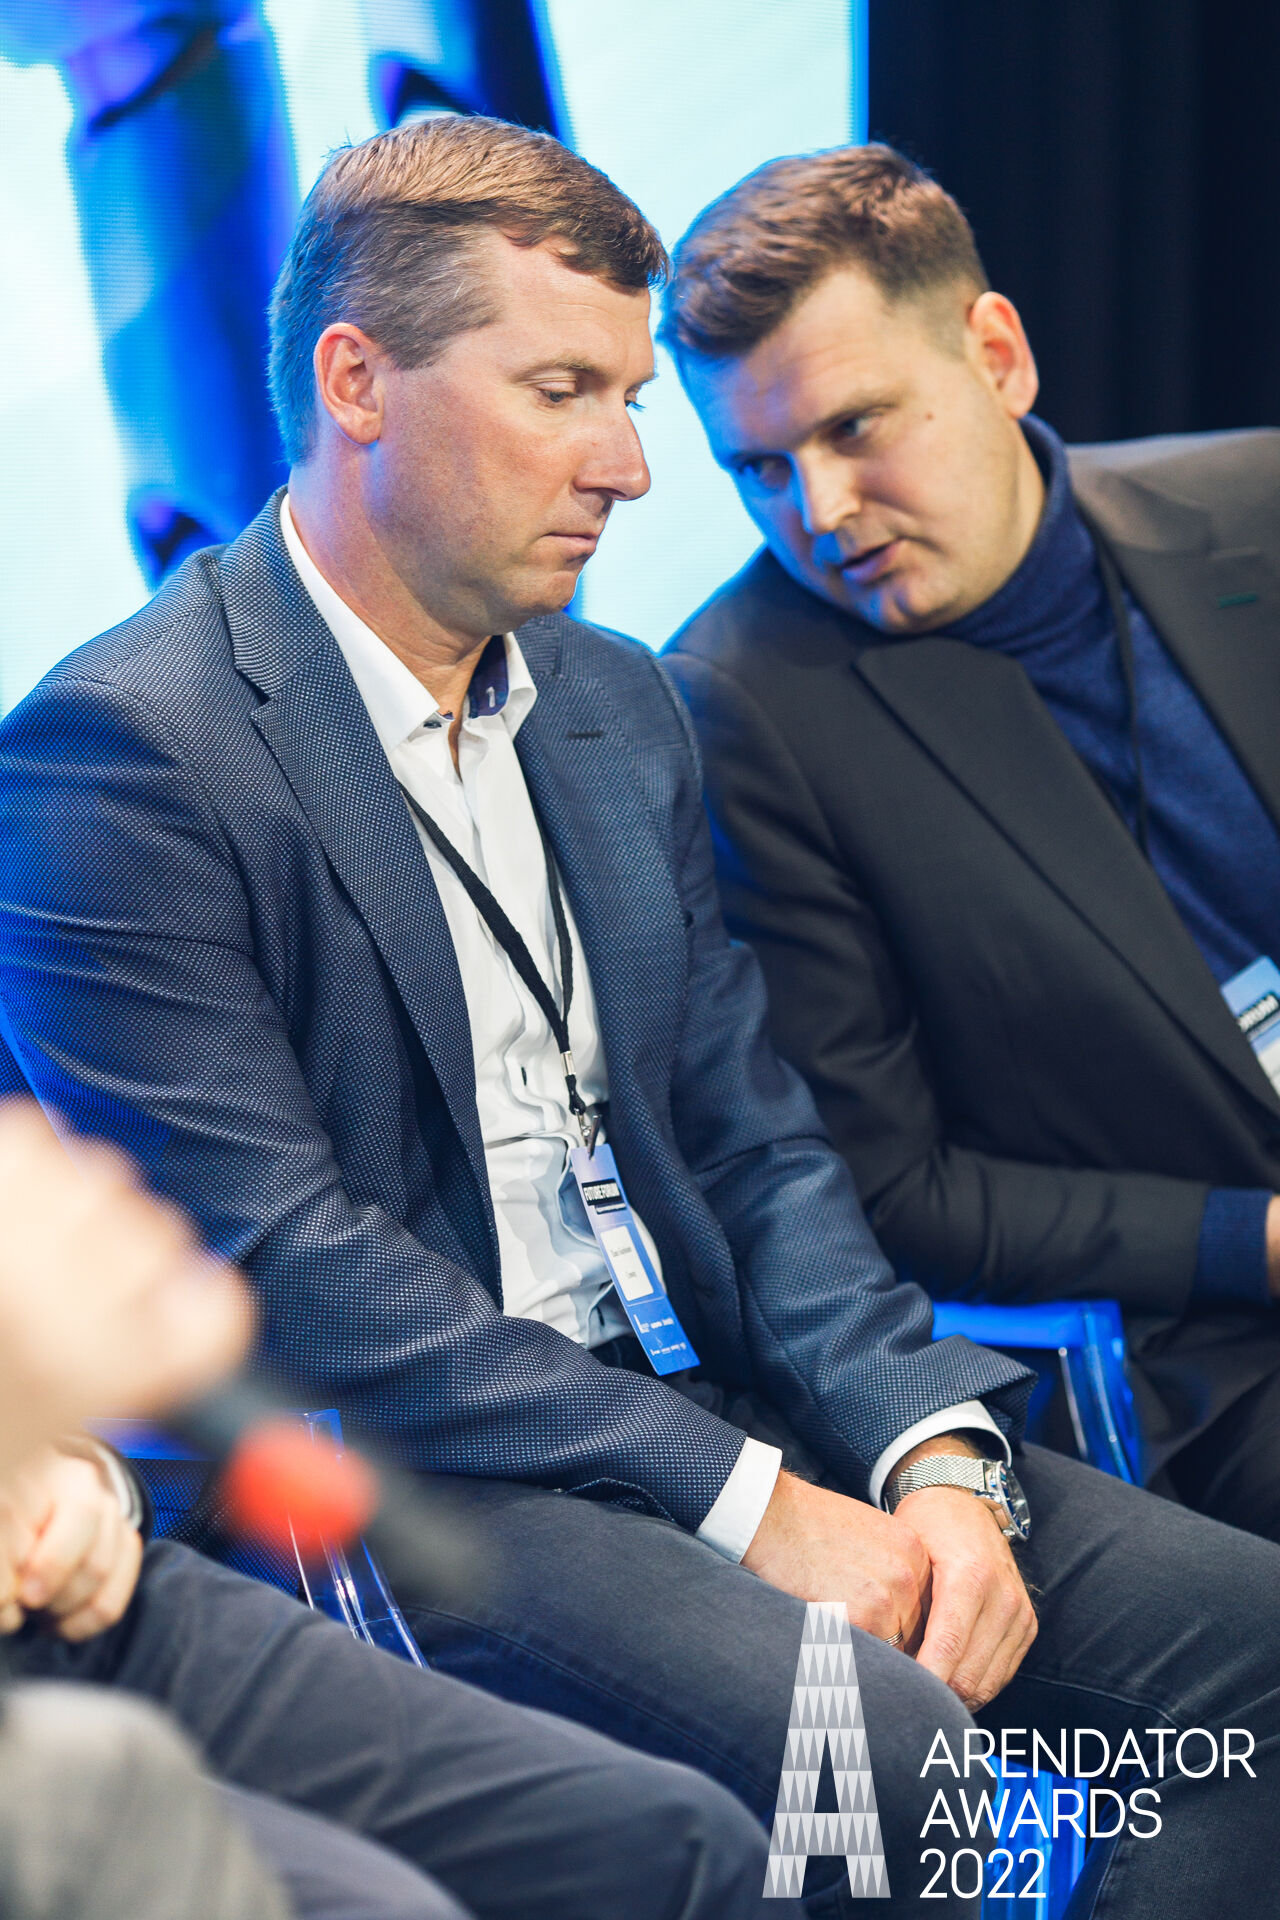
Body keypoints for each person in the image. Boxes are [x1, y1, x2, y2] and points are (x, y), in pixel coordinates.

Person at [1, 114, 1279, 1915]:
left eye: (630, 399)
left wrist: (932, 1453)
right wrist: (756, 1503)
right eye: (563, 393)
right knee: (886, 1762)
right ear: (357, 383)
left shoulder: (614, 699)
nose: (629, 465)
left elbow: (757, 1148)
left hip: (725, 1398)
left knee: (1250, 1652)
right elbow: (291, 1267)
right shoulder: (125, 754)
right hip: (425, 1472)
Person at [661, 142, 1280, 1539]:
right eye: (759, 468)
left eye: (855, 428)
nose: (818, 512)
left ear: (996, 356)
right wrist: (1252, 1241)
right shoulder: (740, 709)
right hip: (1204, 1339)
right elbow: (891, 1192)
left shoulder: (1254, 501)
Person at [0, 1101, 786, 1920]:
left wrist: (71, 1470)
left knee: (684, 1848)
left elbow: (761, 1145)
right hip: (48, 1704)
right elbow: (293, 1257)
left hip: (88, 1592)